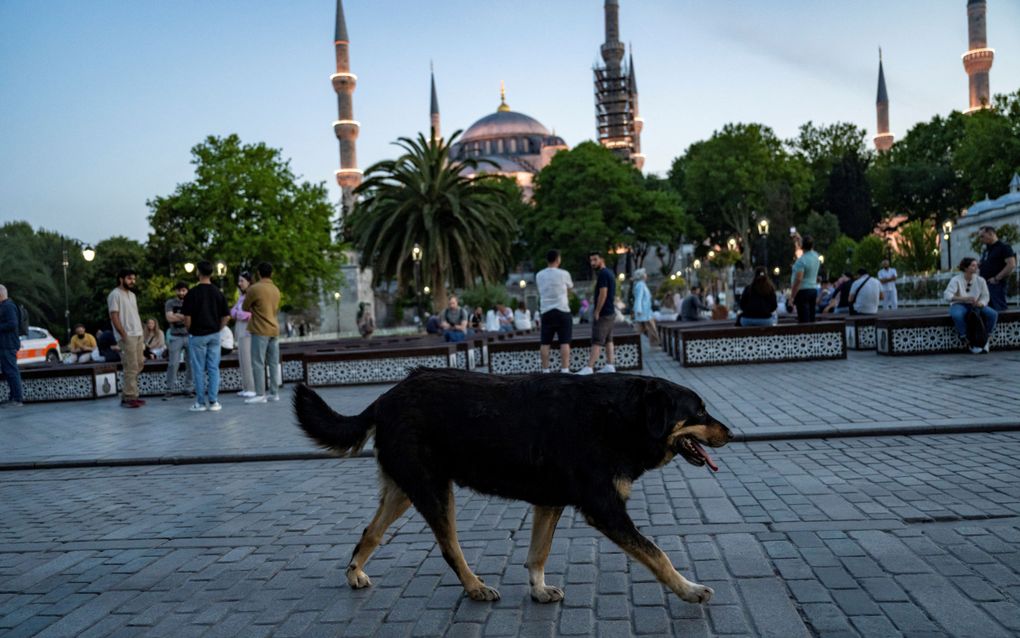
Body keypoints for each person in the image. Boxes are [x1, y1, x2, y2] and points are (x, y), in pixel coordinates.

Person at [181, 261, 229, 412]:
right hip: (214, 334)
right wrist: (218, 328)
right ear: (212, 274)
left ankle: (201, 403)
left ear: (198, 273)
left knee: (199, 369)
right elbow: (226, 316)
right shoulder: (218, 292)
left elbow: (186, 317)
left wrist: (190, 329)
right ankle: (214, 402)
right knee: (214, 368)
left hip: (198, 335)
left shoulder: (192, 293)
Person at [243, 262, 282, 404]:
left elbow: (245, 306)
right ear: (271, 273)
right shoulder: (276, 289)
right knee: (273, 362)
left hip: (260, 329)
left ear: (258, 273)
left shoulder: (254, 288)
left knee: (258, 362)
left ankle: (260, 394)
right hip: (274, 329)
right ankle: (274, 393)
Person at [107, 269, 146, 408]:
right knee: (131, 366)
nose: (132, 281)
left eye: (134, 279)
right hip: (127, 335)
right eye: (129, 278)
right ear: (121, 279)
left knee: (139, 364)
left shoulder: (132, 295)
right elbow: (114, 316)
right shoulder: (114, 294)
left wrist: (142, 331)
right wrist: (123, 334)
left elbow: (135, 314)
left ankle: (128, 394)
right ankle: (130, 397)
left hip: (138, 333)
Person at [945, 257, 997, 354]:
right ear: (965, 268)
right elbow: (947, 295)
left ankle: (985, 339)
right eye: (973, 265)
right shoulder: (956, 280)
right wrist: (964, 299)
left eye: (976, 265)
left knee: (992, 314)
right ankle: (967, 339)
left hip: (976, 305)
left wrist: (981, 303)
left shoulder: (981, 280)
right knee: (957, 315)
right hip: (959, 304)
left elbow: (986, 296)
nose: (976, 267)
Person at [577, 251, 616, 375]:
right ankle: (610, 365)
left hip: (604, 313)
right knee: (609, 340)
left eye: (595, 260)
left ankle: (589, 368)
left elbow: (603, 294)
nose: (592, 263)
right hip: (610, 312)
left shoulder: (603, 274)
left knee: (597, 340)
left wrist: (597, 311)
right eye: (591, 260)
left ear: (602, 259)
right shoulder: (609, 272)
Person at [978, 226, 1016, 312]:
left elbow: (1011, 264)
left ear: (991, 234)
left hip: (996, 286)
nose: (981, 239)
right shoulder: (986, 250)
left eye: (982, 236)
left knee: (999, 311)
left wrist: (996, 278)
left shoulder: (1004, 247)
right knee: (987, 312)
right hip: (985, 285)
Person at [230, 272, 256, 398]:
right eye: (239, 281)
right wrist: (239, 313)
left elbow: (252, 314)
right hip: (240, 330)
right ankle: (246, 387)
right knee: (242, 359)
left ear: (249, 282)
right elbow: (232, 311)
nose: (239, 283)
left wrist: (239, 314)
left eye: (242, 281)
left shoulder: (252, 295)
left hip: (248, 331)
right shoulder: (241, 296)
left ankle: (252, 388)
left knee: (248, 359)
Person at [164, 282, 190, 399]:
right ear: (176, 291)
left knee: (191, 364)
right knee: (173, 364)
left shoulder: (191, 302)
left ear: (187, 291)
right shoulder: (170, 303)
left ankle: (188, 389)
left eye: (183, 290)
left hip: (190, 336)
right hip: (175, 336)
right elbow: (169, 317)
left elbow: (194, 318)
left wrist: (177, 316)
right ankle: (169, 389)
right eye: (179, 290)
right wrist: (185, 317)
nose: (181, 293)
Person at [0, 284, 24, 408]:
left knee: (11, 371)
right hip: (4, 344)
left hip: (8, 344)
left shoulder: (8, 306)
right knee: (8, 371)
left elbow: (13, 323)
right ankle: (12, 397)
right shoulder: (5, 306)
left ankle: (17, 399)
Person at [789, 235, 821, 323]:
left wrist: (792, 296)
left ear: (802, 246)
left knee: (804, 319)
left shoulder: (801, 261)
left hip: (803, 291)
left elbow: (799, 279)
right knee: (811, 316)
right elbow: (810, 248)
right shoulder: (816, 256)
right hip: (813, 289)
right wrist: (801, 240)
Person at [630, 268, 660, 347]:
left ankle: (654, 344)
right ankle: (655, 344)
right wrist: (639, 310)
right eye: (645, 273)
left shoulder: (642, 284)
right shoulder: (640, 285)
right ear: (642, 276)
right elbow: (639, 298)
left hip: (646, 311)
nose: (646, 275)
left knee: (642, 329)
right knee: (649, 328)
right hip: (643, 311)